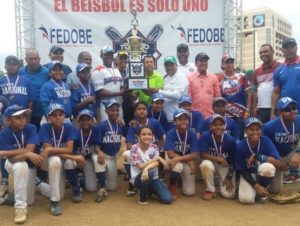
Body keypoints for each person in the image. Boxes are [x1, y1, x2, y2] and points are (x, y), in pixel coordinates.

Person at [0, 105, 42, 224]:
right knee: (20, 165)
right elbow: (12, 160)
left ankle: (37, 184)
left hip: (31, 163)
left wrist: (6, 152)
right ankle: (20, 208)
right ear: (8, 120)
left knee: (30, 200)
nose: (23, 120)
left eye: (24, 116)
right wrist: (27, 154)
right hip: (11, 163)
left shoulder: (31, 128)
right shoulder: (4, 133)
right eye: (18, 117)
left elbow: (30, 148)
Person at [39, 103, 79, 215]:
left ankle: (41, 185)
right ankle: (54, 201)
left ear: (64, 116)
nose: (58, 117)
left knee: (69, 162)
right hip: (50, 162)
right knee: (55, 159)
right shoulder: (45, 128)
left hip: (64, 160)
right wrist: (49, 150)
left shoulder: (69, 127)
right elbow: (48, 152)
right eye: (54, 115)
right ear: (49, 118)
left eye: (60, 114)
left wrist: (50, 149)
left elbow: (69, 149)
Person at [235, 117, 283, 204]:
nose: (255, 132)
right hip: (249, 174)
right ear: (245, 131)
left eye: (257, 129)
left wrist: (258, 156)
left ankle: (263, 190)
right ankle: (258, 189)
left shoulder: (266, 141)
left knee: (268, 168)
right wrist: (255, 185)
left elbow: (278, 163)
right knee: (246, 199)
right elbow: (241, 170)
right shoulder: (240, 146)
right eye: (251, 129)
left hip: (264, 173)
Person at [123, 101, 165, 196]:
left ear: (147, 111)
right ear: (135, 112)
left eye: (144, 109)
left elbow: (162, 138)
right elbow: (129, 142)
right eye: (139, 109)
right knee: (126, 154)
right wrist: (135, 152)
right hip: (138, 153)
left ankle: (153, 181)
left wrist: (157, 150)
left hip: (151, 153)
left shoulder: (154, 122)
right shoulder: (133, 124)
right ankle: (132, 182)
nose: (142, 111)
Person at [197, 114, 236, 200]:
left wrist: (229, 177)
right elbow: (202, 154)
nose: (218, 127)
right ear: (210, 126)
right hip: (212, 162)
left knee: (228, 195)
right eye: (215, 125)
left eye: (221, 125)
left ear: (224, 126)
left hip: (225, 164)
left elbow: (234, 160)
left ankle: (221, 181)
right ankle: (210, 190)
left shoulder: (230, 140)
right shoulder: (205, 136)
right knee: (205, 165)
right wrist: (218, 158)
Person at [130, 125, 172, 205]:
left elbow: (156, 163)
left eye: (149, 134)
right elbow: (141, 166)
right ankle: (142, 194)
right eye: (144, 134)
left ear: (152, 136)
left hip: (153, 178)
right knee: (150, 172)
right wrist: (158, 158)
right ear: (138, 136)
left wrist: (147, 168)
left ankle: (149, 189)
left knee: (168, 199)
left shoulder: (154, 147)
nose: (147, 136)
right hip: (138, 179)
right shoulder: (134, 148)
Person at [263, 97, 300, 186]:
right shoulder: (269, 126)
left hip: (291, 152)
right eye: (287, 109)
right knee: (276, 189)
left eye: (294, 108)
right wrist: (278, 160)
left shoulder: (299, 120)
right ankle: (284, 171)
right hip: (276, 157)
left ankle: (294, 173)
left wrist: (298, 153)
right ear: (280, 112)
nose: (292, 111)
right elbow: (264, 147)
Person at [94, 100, 124, 201]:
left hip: (113, 156)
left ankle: (103, 178)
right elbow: (96, 144)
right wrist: (99, 152)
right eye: (112, 110)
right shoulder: (102, 126)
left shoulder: (120, 124)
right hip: (104, 154)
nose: (115, 112)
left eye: (117, 110)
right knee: (99, 162)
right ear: (106, 111)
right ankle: (99, 181)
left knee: (112, 187)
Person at [165, 109, 198, 199]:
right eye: (180, 119)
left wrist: (184, 160)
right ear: (174, 122)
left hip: (184, 159)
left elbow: (195, 154)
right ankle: (172, 184)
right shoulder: (171, 133)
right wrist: (186, 161)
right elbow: (170, 153)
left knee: (190, 192)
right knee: (177, 166)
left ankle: (180, 179)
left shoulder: (192, 133)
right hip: (174, 159)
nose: (183, 121)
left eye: (185, 119)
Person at [218, 54, 252, 140]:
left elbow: (249, 94)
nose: (229, 64)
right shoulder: (219, 78)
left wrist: (248, 111)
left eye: (231, 62)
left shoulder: (242, 76)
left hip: (240, 113)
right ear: (222, 65)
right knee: (227, 137)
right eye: (227, 62)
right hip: (226, 113)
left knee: (239, 137)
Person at [152, 56, 188, 127]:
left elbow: (177, 95)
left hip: (176, 118)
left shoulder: (181, 78)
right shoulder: (165, 78)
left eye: (171, 65)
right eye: (167, 65)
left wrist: (158, 91)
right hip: (164, 117)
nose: (169, 67)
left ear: (176, 65)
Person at [91, 46, 124, 122]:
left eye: (111, 54)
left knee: (119, 129)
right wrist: (119, 93)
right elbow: (100, 92)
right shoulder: (97, 70)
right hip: (105, 106)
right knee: (107, 130)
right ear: (101, 56)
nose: (109, 56)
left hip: (118, 106)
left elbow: (121, 86)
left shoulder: (116, 70)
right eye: (106, 54)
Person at [19, 48, 50, 129]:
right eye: (30, 59)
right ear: (26, 60)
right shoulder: (20, 72)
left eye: (35, 58)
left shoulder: (47, 72)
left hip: (42, 113)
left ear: (39, 59)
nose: (33, 61)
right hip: (25, 113)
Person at [271, 37, 300, 118]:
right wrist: (273, 112)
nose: (290, 49)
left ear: (296, 48)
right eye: (287, 48)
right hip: (285, 112)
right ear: (282, 50)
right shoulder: (279, 70)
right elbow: (276, 92)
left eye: (292, 47)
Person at [252, 44, 281, 123]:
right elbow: (255, 91)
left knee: (275, 134)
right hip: (260, 110)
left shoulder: (281, 67)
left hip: (277, 109)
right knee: (262, 133)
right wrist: (254, 107)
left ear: (272, 52)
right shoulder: (256, 71)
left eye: (265, 51)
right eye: (260, 53)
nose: (263, 54)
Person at [188, 52, 221, 118]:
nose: (203, 63)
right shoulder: (190, 78)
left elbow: (218, 97)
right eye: (201, 61)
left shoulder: (213, 77)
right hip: (195, 116)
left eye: (205, 61)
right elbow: (188, 99)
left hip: (211, 115)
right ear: (196, 64)